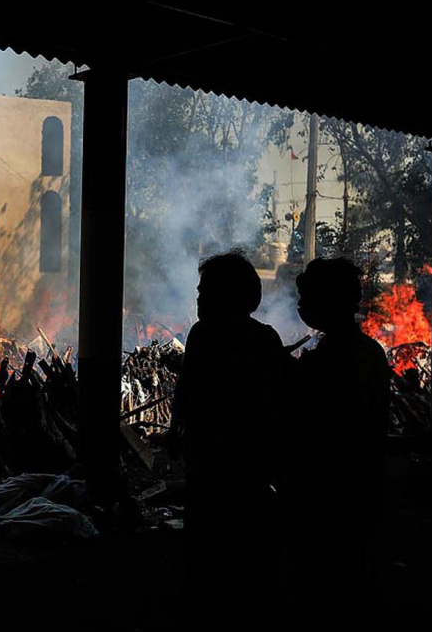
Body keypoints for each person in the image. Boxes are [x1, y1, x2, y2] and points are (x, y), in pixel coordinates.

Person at [167, 250, 287, 623]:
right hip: (231, 463)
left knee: (219, 544)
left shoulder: (211, 337)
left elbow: (186, 395)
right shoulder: (259, 339)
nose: (198, 297)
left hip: (229, 462)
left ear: (228, 294)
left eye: (205, 291)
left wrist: (178, 433)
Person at [283, 257, 390, 620]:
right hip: (362, 486)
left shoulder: (328, 361)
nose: (301, 306)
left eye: (306, 297)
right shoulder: (368, 353)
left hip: (329, 490)